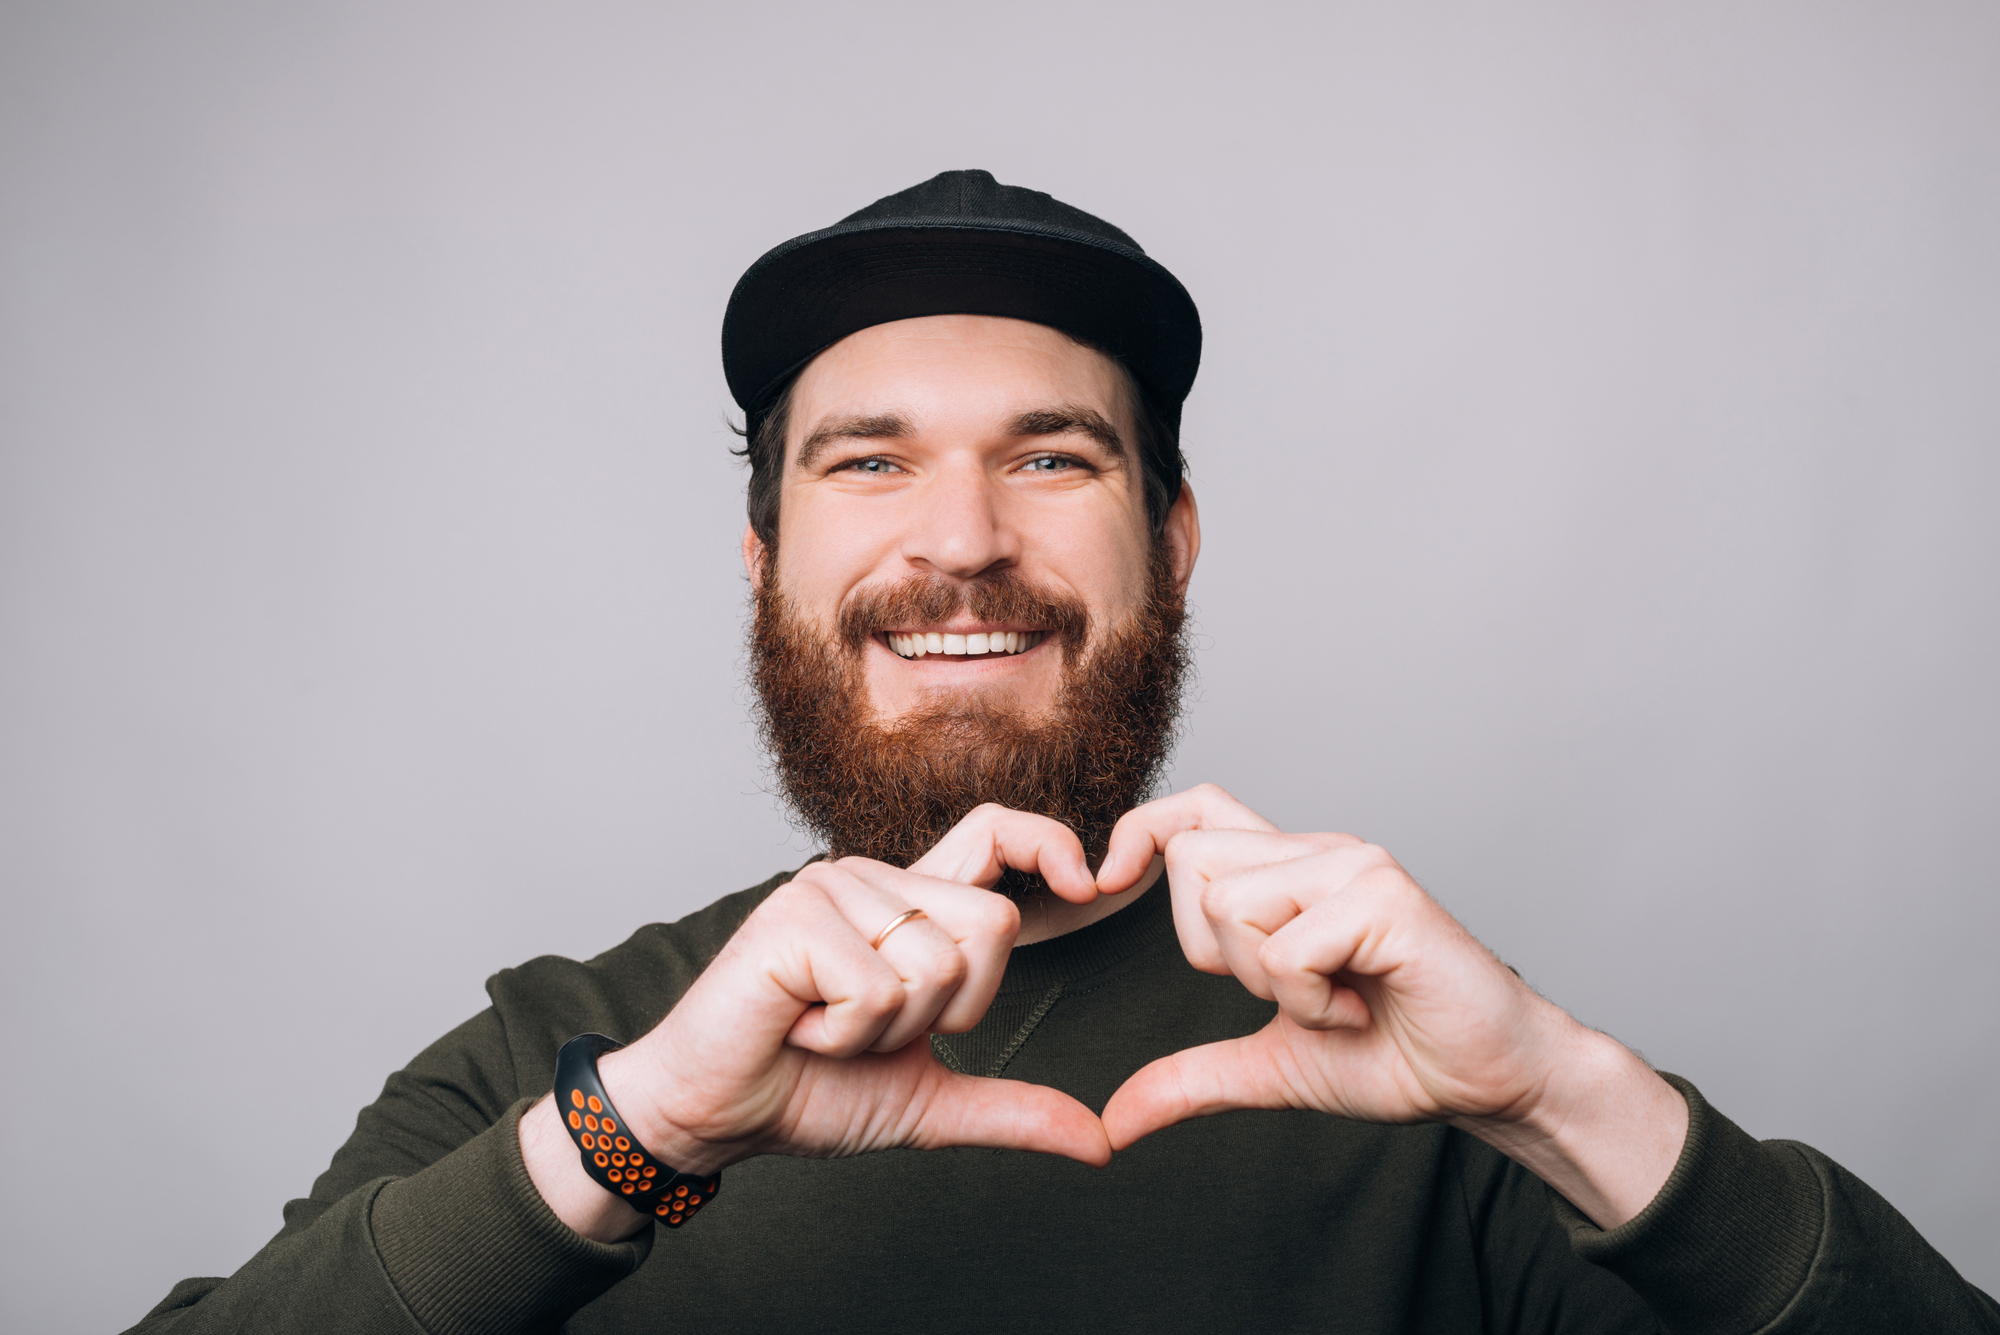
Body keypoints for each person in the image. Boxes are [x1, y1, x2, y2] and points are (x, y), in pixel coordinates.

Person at [128, 170, 1997, 1335]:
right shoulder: (562, 1055)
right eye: (868, 460)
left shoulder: (1421, 1080)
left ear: (1171, 541)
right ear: (767, 560)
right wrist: (641, 1134)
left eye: (1052, 456)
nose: (958, 539)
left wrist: (1556, 1094)